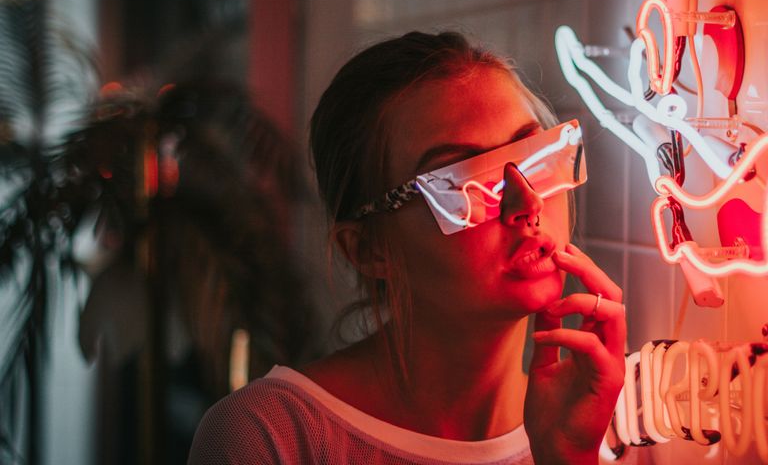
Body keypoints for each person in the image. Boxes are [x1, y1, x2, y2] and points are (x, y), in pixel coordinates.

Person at [188, 31, 628, 464]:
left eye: (534, 156)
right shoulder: (267, 437)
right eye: (462, 183)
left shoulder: (601, 428)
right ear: (368, 249)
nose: (527, 204)